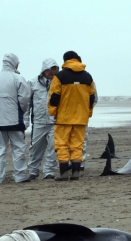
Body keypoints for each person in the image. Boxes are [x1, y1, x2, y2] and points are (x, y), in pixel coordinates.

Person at [48, 50, 97, 181]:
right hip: (81, 118)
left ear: (65, 61)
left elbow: (54, 96)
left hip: (63, 118)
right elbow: (92, 97)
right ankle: (76, 172)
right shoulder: (87, 77)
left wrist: (52, 113)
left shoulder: (60, 76)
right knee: (77, 145)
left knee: (62, 145)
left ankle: (63, 174)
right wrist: (88, 114)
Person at [0, 53, 31, 184]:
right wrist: (20, 110)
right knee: (18, 147)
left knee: (0, 148)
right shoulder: (18, 78)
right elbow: (25, 98)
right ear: (15, 63)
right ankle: (20, 175)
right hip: (15, 119)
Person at [26, 59, 60, 180]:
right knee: (35, 147)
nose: (51, 71)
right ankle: (33, 171)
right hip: (39, 121)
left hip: (55, 121)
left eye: (54, 69)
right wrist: (26, 119)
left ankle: (49, 172)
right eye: (49, 69)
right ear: (44, 70)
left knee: (53, 147)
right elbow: (27, 102)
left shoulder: (59, 82)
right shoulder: (32, 83)